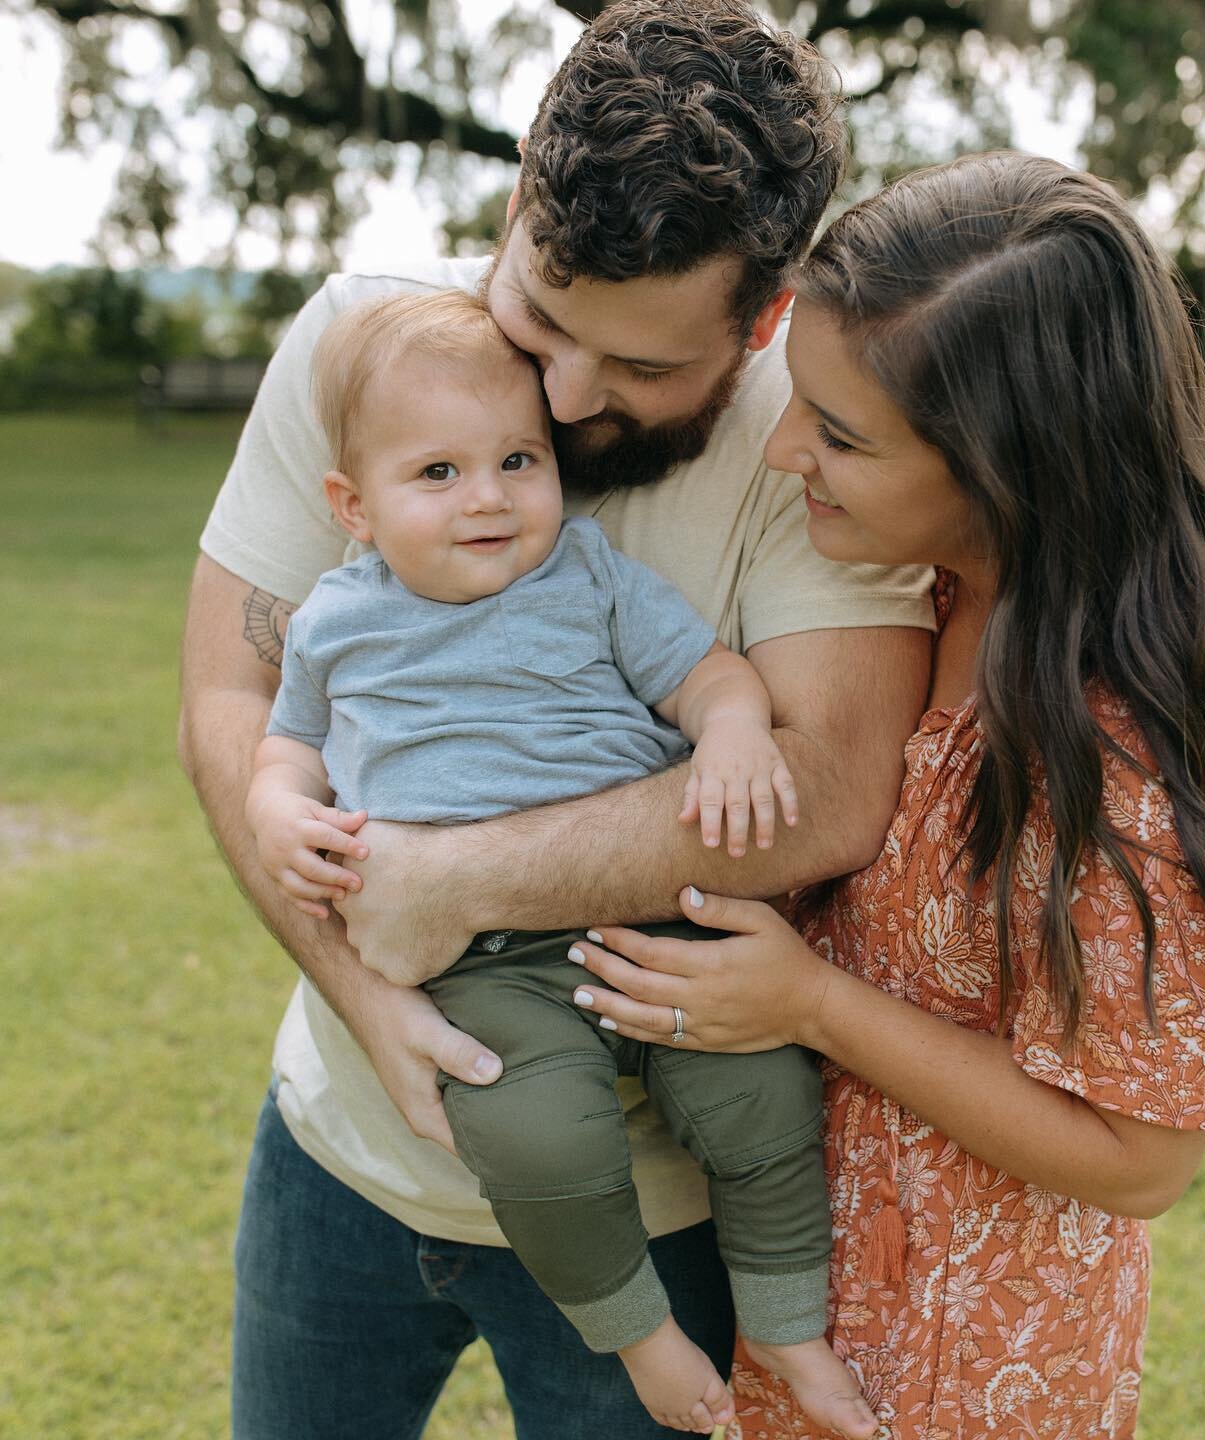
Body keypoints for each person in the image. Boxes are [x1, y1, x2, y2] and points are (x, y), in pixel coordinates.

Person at [177, 3, 934, 1436]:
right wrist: (370, 997)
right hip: (336, 1152)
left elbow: (828, 787)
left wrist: (448, 883)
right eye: (543, 321)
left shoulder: (807, 439)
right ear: (525, 191)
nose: (566, 401)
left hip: (653, 1201)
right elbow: (234, 690)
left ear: (761, 318)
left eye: (643, 369)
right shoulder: (358, 348)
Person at [566, 151, 1205, 1439]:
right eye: (800, 398)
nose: (789, 450)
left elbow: (1144, 1160)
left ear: (1013, 463)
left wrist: (811, 1003)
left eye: (843, 435)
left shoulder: (1122, 743)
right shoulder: (912, 598)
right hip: (796, 1305)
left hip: (971, 1364)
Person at [244, 286, 874, 1437]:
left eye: (517, 461)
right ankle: (639, 1339)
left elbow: (709, 677)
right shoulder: (334, 620)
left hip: (651, 922)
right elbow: (282, 743)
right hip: (484, 968)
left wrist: (733, 731)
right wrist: (281, 806)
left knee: (759, 1094)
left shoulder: (586, 574)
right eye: (436, 474)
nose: (486, 497)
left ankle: (786, 1316)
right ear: (353, 506)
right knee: (538, 1137)